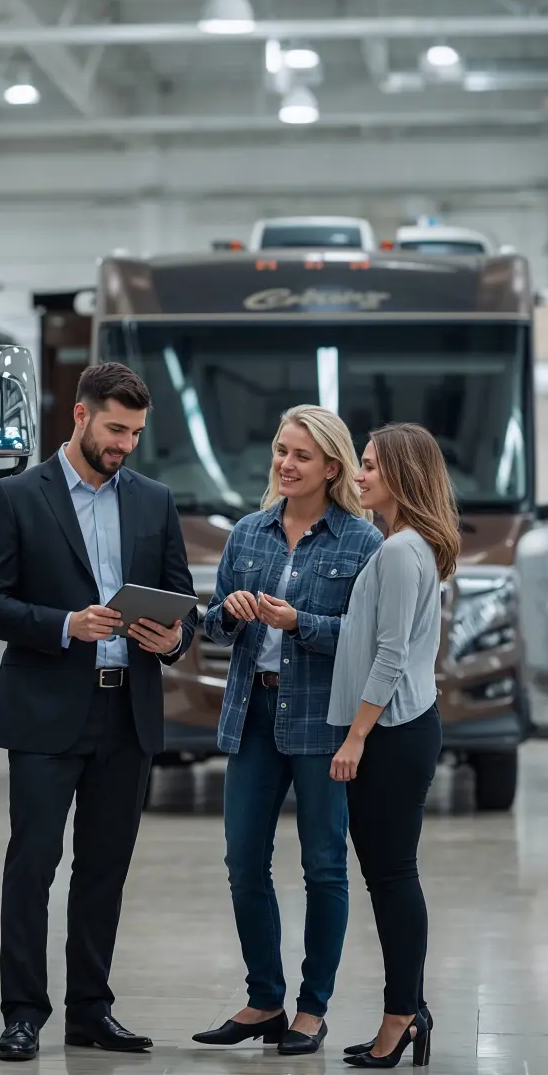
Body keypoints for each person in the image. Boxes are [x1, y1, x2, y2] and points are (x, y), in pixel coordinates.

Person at [0, 361, 199, 1062]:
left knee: (104, 869)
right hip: (45, 713)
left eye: (134, 433)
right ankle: (22, 1013)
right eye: (114, 429)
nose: (124, 444)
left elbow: (180, 601)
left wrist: (172, 636)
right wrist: (68, 623)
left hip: (126, 715)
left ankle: (91, 1011)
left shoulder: (155, 501)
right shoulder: (16, 496)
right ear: (80, 415)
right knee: (33, 865)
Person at [190, 405, 381, 1056]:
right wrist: (231, 612)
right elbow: (213, 624)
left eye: (301, 455)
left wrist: (302, 623)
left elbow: (365, 640)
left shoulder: (362, 543)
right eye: (280, 450)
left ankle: (313, 1008)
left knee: (324, 865)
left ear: (333, 467)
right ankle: (264, 999)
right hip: (253, 714)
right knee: (244, 861)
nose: (285, 464)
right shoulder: (249, 533)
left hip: (322, 721)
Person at [329, 422, 462, 1069]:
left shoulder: (399, 551)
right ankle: (407, 1006)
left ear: (404, 475)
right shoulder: (404, 547)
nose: (360, 475)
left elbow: (390, 655)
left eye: (373, 465)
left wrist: (356, 735)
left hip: (393, 730)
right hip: (397, 727)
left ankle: (402, 1017)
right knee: (388, 876)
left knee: (392, 877)